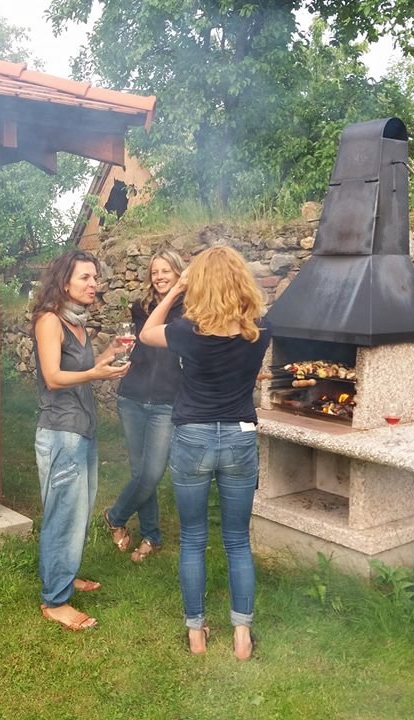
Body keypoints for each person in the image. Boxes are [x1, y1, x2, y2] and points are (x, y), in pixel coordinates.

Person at [140, 245, 271, 660]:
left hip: (193, 436)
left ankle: (196, 633)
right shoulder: (259, 331)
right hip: (239, 436)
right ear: (240, 281)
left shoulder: (185, 331)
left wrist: (175, 289)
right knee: (237, 540)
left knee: (193, 538)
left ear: (197, 284)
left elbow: (146, 332)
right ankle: (242, 634)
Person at [31, 249, 129, 632]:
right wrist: (96, 375)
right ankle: (55, 601)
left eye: (95, 277)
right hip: (60, 433)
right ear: (64, 281)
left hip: (82, 430)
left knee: (78, 513)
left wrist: (108, 355)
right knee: (63, 517)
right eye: (86, 277)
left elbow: (81, 367)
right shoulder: (49, 321)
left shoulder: (78, 325)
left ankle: (65, 577)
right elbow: (53, 377)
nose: (94, 284)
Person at [103, 249, 187, 563]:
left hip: (166, 401)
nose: (160, 277)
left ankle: (115, 515)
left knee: (151, 473)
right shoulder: (141, 307)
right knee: (140, 471)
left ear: (179, 273)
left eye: (166, 271)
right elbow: (139, 344)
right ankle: (152, 535)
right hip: (132, 398)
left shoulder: (191, 310)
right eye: (155, 272)